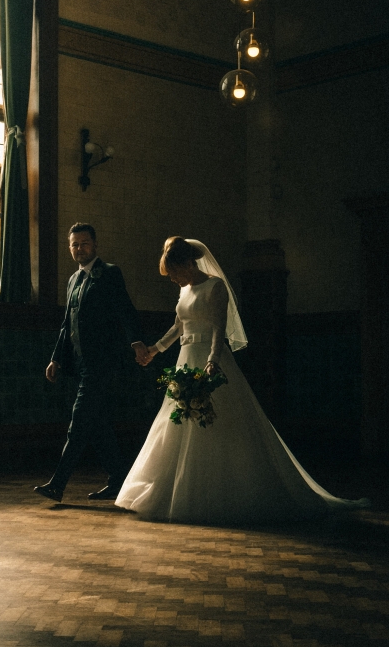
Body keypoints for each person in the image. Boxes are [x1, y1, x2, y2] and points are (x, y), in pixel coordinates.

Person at [115, 237, 369, 524]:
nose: (173, 279)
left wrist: (212, 359)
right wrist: (154, 349)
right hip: (185, 360)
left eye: (174, 272)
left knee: (220, 420)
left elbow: (217, 327)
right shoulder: (185, 290)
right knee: (177, 420)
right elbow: (178, 326)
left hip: (209, 361)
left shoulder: (215, 286)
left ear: (187, 263)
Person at [35, 223, 149, 503]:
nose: (79, 249)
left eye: (84, 243)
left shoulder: (109, 273)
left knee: (79, 421)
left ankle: (57, 485)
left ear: (95, 245)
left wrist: (136, 342)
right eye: (74, 244)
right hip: (80, 362)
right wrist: (56, 359)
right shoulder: (73, 280)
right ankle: (118, 478)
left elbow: (124, 308)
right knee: (96, 424)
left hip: (102, 363)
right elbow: (66, 324)